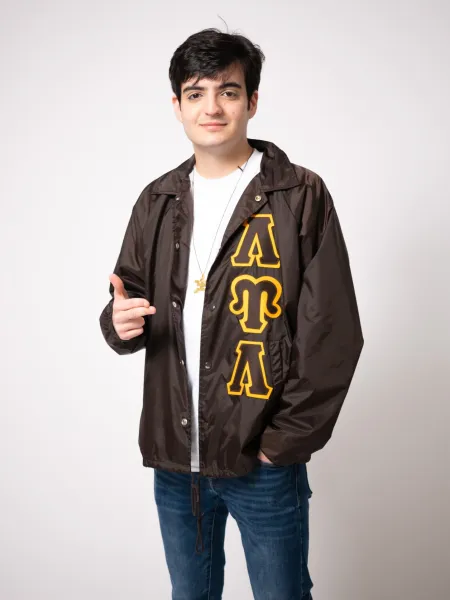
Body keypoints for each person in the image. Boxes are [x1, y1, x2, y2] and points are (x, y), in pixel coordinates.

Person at [99, 27, 364, 600]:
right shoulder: (158, 199)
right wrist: (117, 324)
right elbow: (129, 296)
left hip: (261, 462)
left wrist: (281, 444)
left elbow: (334, 335)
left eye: (228, 91)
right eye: (195, 93)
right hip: (176, 463)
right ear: (177, 105)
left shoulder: (299, 195)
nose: (212, 107)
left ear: (252, 101)